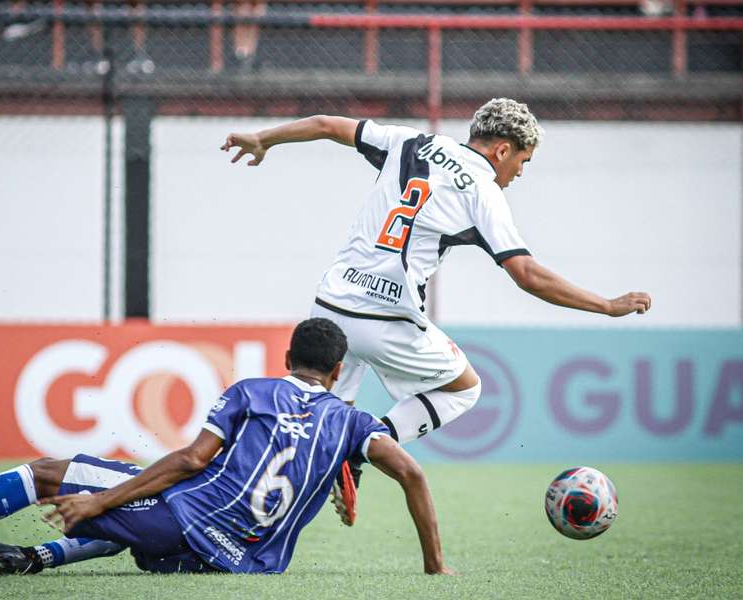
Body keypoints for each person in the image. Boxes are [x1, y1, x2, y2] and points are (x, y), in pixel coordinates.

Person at [220, 99, 652, 520]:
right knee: (464, 389)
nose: (519, 172)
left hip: (330, 304)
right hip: (386, 318)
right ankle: (365, 444)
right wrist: (607, 305)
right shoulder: (484, 191)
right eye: (523, 160)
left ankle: (242, 489)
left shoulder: (409, 141)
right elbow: (527, 274)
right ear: (502, 150)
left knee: (318, 417)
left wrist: (264, 138)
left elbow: (328, 124)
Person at [0, 318, 454, 576]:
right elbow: (414, 476)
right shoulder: (352, 423)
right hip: (246, 563)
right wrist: (435, 567)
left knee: (52, 474)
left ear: (287, 361)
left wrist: (101, 498)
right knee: (141, 509)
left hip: (190, 528)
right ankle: (36, 558)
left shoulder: (255, 389)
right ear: (340, 369)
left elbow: (193, 459)